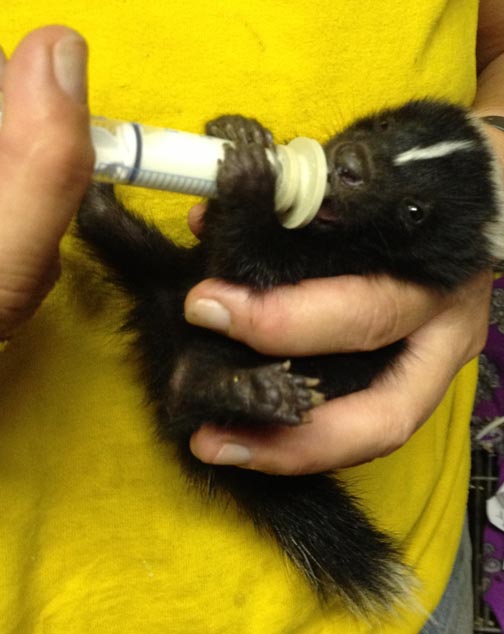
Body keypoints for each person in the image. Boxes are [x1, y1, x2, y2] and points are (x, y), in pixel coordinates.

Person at [0, 2, 502, 632]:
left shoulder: (379, 260)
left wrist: (499, 148)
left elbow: (252, 280)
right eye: (382, 134)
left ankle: (214, 388)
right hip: (46, 585)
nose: (354, 161)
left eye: (411, 215)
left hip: (405, 517)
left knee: (199, 307)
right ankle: (117, 240)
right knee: (159, 281)